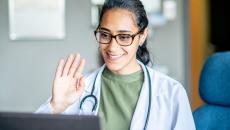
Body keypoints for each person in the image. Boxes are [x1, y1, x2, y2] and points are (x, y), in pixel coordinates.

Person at [36, 0, 195, 130]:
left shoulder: (171, 92)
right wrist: (56, 106)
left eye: (124, 37)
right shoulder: (79, 89)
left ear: (142, 36)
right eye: (105, 34)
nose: (112, 47)